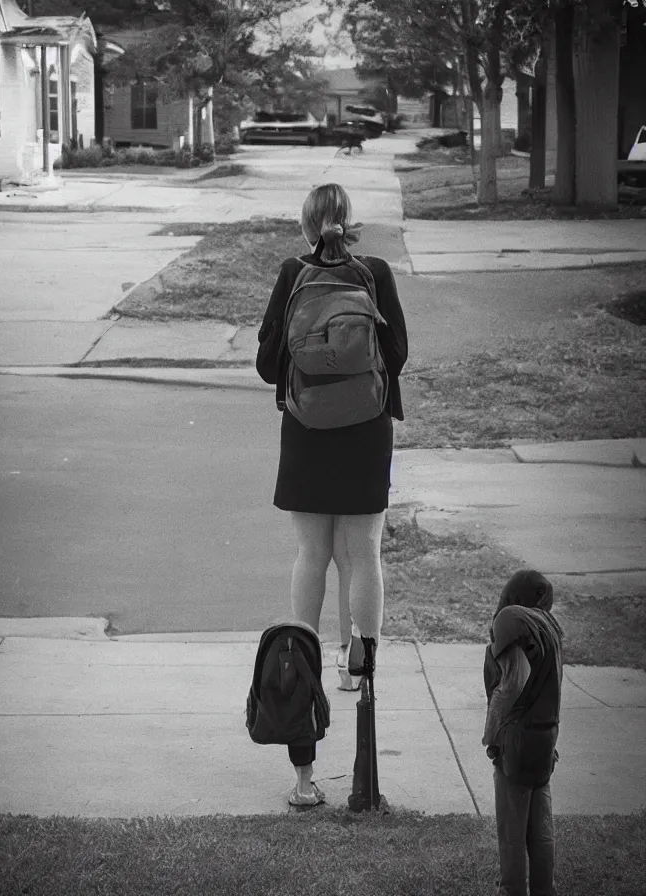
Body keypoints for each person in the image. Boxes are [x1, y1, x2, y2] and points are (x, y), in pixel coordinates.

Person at [256, 183, 408, 805]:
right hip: (366, 429)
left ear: (307, 224)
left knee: (311, 553)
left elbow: (269, 364)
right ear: (351, 223)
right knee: (364, 550)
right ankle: (359, 669)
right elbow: (395, 353)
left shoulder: (294, 274)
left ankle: (308, 661)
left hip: (307, 430)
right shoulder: (374, 273)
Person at [482, 570, 564, 896]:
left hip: (516, 742)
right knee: (541, 830)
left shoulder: (511, 621)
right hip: (545, 741)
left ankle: (512, 891)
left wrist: (491, 736)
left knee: (512, 832)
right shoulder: (549, 630)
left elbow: (512, 684)